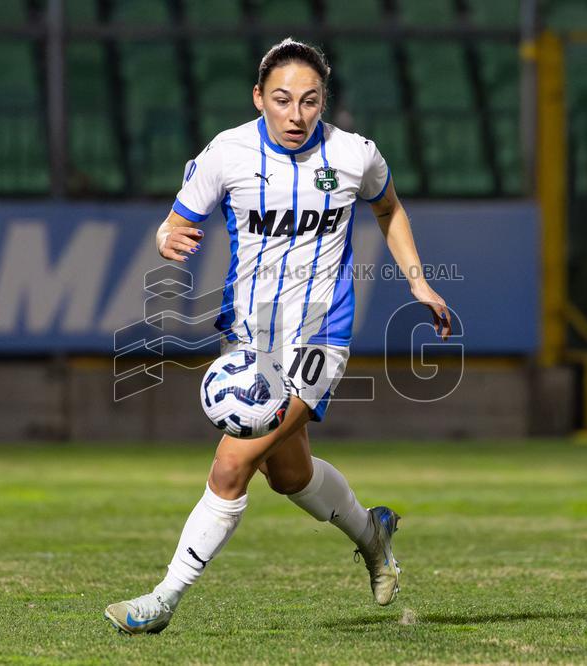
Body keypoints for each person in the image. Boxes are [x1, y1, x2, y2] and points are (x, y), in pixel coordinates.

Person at [105, 37, 451, 635]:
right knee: (289, 475)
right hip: (249, 337)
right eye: (283, 100)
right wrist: (168, 239)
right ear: (259, 98)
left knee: (231, 464)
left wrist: (418, 283)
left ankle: (161, 600)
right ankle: (374, 534)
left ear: (324, 103)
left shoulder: (354, 155)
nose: (296, 115)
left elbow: (389, 209)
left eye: (311, 101)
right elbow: (176, 222)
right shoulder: (227, 153)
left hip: (323, 334)